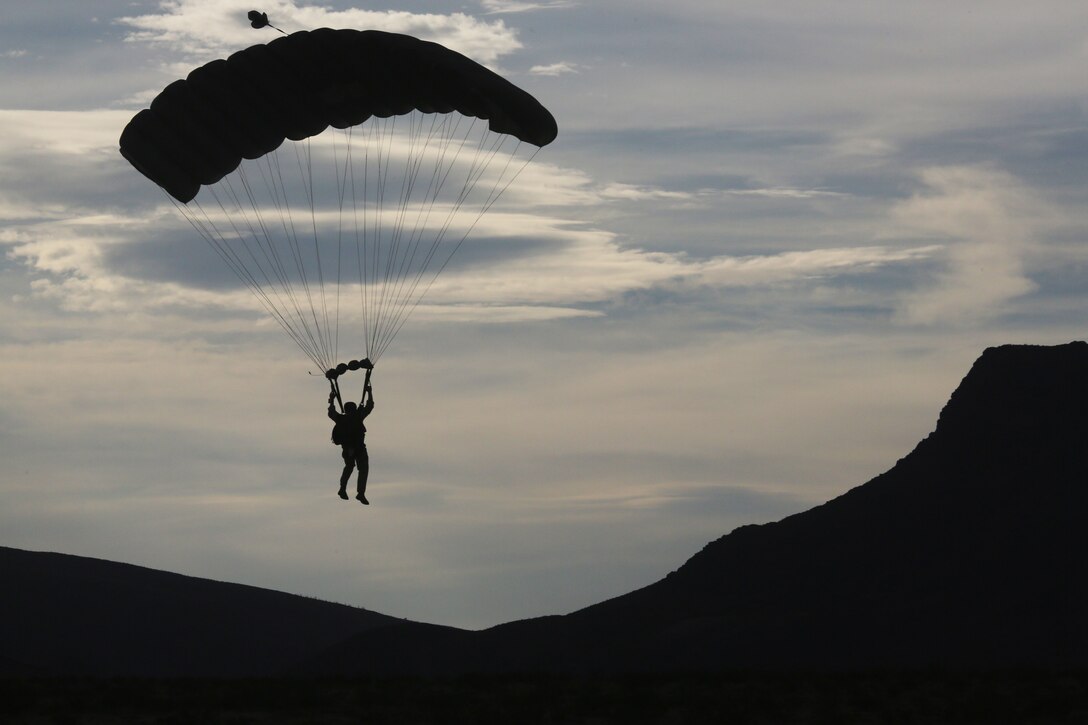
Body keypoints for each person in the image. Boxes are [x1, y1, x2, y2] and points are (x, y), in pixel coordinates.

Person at [328, 375, 374, 504]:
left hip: (347, 449)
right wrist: (370, 393)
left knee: (349, 466)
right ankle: (360, 493)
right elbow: (370, 406)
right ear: (354, 409)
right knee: (362, 468)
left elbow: (331, 412)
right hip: (358, 448)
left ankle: (343, 488)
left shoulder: (341, 418)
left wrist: (331, 400)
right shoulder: (358, 417)